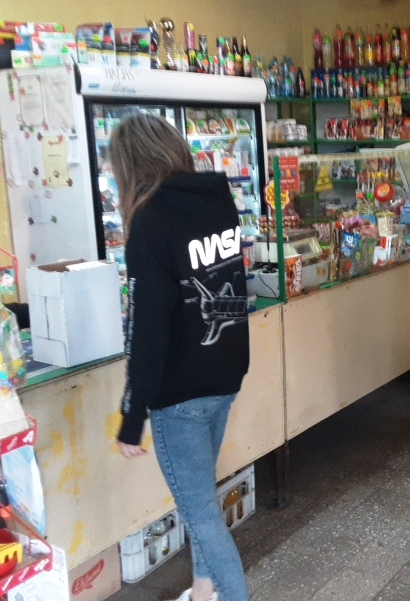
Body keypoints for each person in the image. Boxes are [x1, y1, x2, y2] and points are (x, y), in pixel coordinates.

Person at [110, 112, 250, 601]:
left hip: (179, 395)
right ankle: (204, 592)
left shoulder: (149, 222)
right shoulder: (217, 202)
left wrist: (132, 417)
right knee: (203, 503)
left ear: (130, 166)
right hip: (224, 376)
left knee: (201, 516)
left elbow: (147, 331)